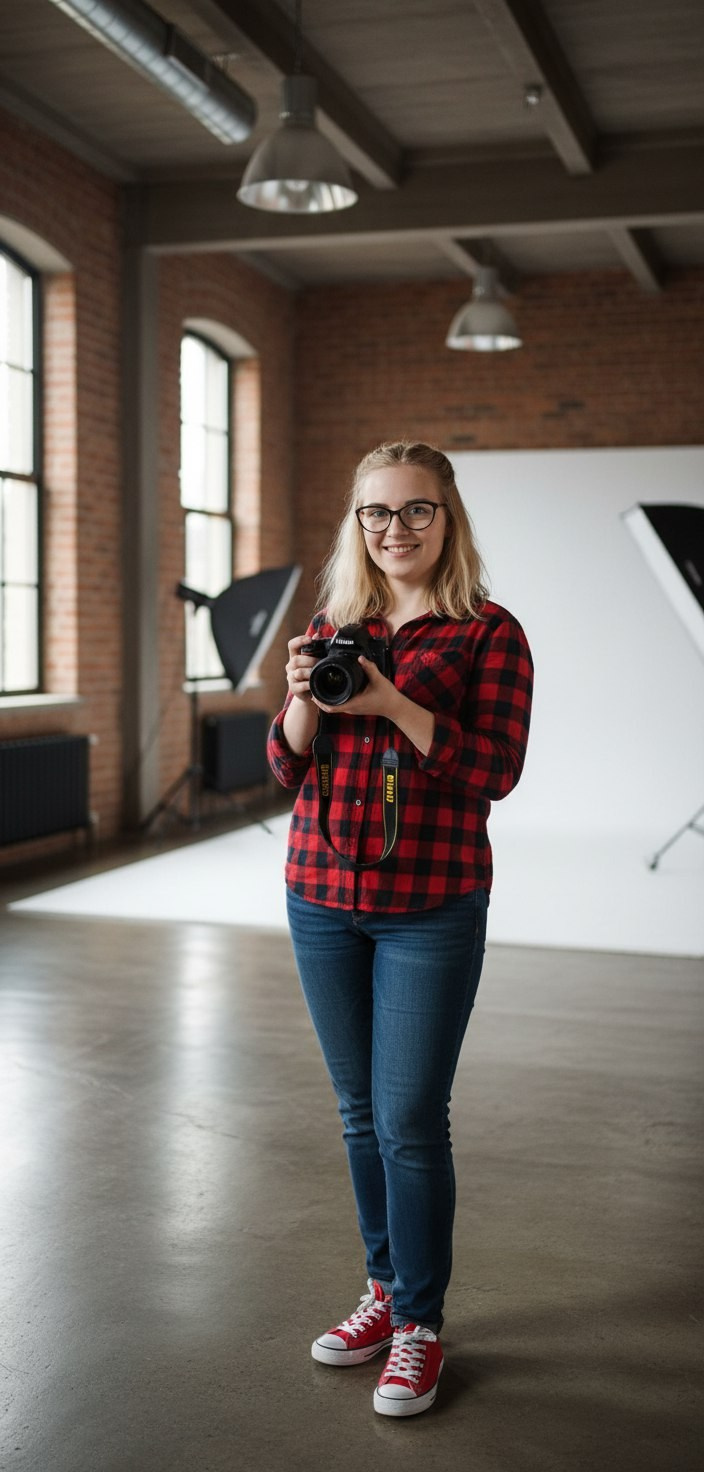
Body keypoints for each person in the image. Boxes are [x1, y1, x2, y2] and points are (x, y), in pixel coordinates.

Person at [267, 440, 533, 1418]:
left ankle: (419, 1322)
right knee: (356, 1111)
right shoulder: (334, 622)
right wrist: (305, 693)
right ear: (357, 523)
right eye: (376, 512)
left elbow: (492, 770)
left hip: (430, 904)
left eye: (414, 510)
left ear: (446, 518)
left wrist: (391, 703)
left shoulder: (487, 634)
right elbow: (286, 770)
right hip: (317, 896)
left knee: (410, 1119)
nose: (394, 529)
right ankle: (380, 1292)